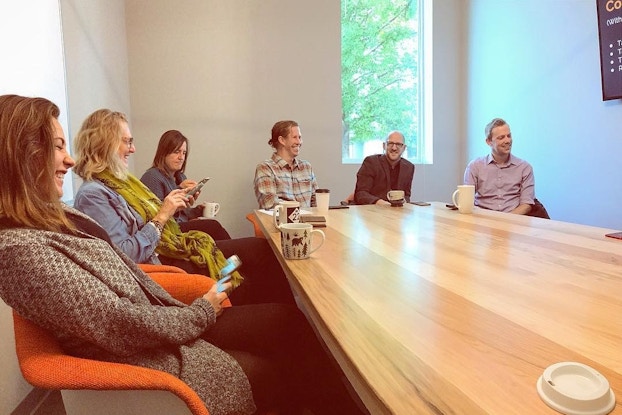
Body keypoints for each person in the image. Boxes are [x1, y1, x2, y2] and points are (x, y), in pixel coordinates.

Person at [0, 94, 367, 415]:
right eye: (57, 146)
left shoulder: (55, 219)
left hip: (164, 320)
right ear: (22, 155)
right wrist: (201, 308)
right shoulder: (22, 251)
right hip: (154, 355)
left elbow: (124, 276)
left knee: (284, 324)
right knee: (286, 332)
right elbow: (119, 323)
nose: (69, 160)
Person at [73, 109, 294, 306]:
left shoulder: (122, 184)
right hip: (163, 267)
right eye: (127, 142)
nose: (133, 149)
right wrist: (163, 214)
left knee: (259, 250)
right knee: (254, 273)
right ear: (104, 144)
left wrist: (183, 208)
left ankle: (266, 304)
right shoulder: (94, 195)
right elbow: (124, 256)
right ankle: (273, 314)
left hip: (170, 249)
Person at [140, 129, 231, 240]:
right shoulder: (152, 177)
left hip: (180, 227)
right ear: (164, 153)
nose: (181, 157)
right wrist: (179, 190)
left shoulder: (180, 177)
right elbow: (155, 217)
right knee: (213, 226)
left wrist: (197, 211)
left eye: (184, 153)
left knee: (214, 229)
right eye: (177, 152)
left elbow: (182, 215)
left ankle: (228, 255)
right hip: (168, 233)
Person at [464, 117, 548, 217]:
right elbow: (467, 202)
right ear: (489, 142)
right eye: (501, 137)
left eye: (509, 136)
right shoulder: (475, 166)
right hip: (484, 221)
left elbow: (527, 205)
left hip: (514, 221)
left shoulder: (524, 168)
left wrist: (504, 220)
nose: (507, 140)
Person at [254, 120, 318, 209]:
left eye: (300, 137)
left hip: (309, 222)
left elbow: (316, 203)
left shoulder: (306, 167)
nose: (299, 142)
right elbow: (270, 205)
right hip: (281, 223)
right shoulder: (265, 168)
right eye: (295, 137)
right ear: (282, 140)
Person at [353, 131, 415, 205]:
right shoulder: (371, 162)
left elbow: (407, 195)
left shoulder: (409, 167)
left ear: (404, 148)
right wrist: (379, 202)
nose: (394, 148)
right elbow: (361, 193)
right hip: (372, 211)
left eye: (398, 144)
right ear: (384, 146)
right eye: (390, 143)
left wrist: (404, 201)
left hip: (397, 212)